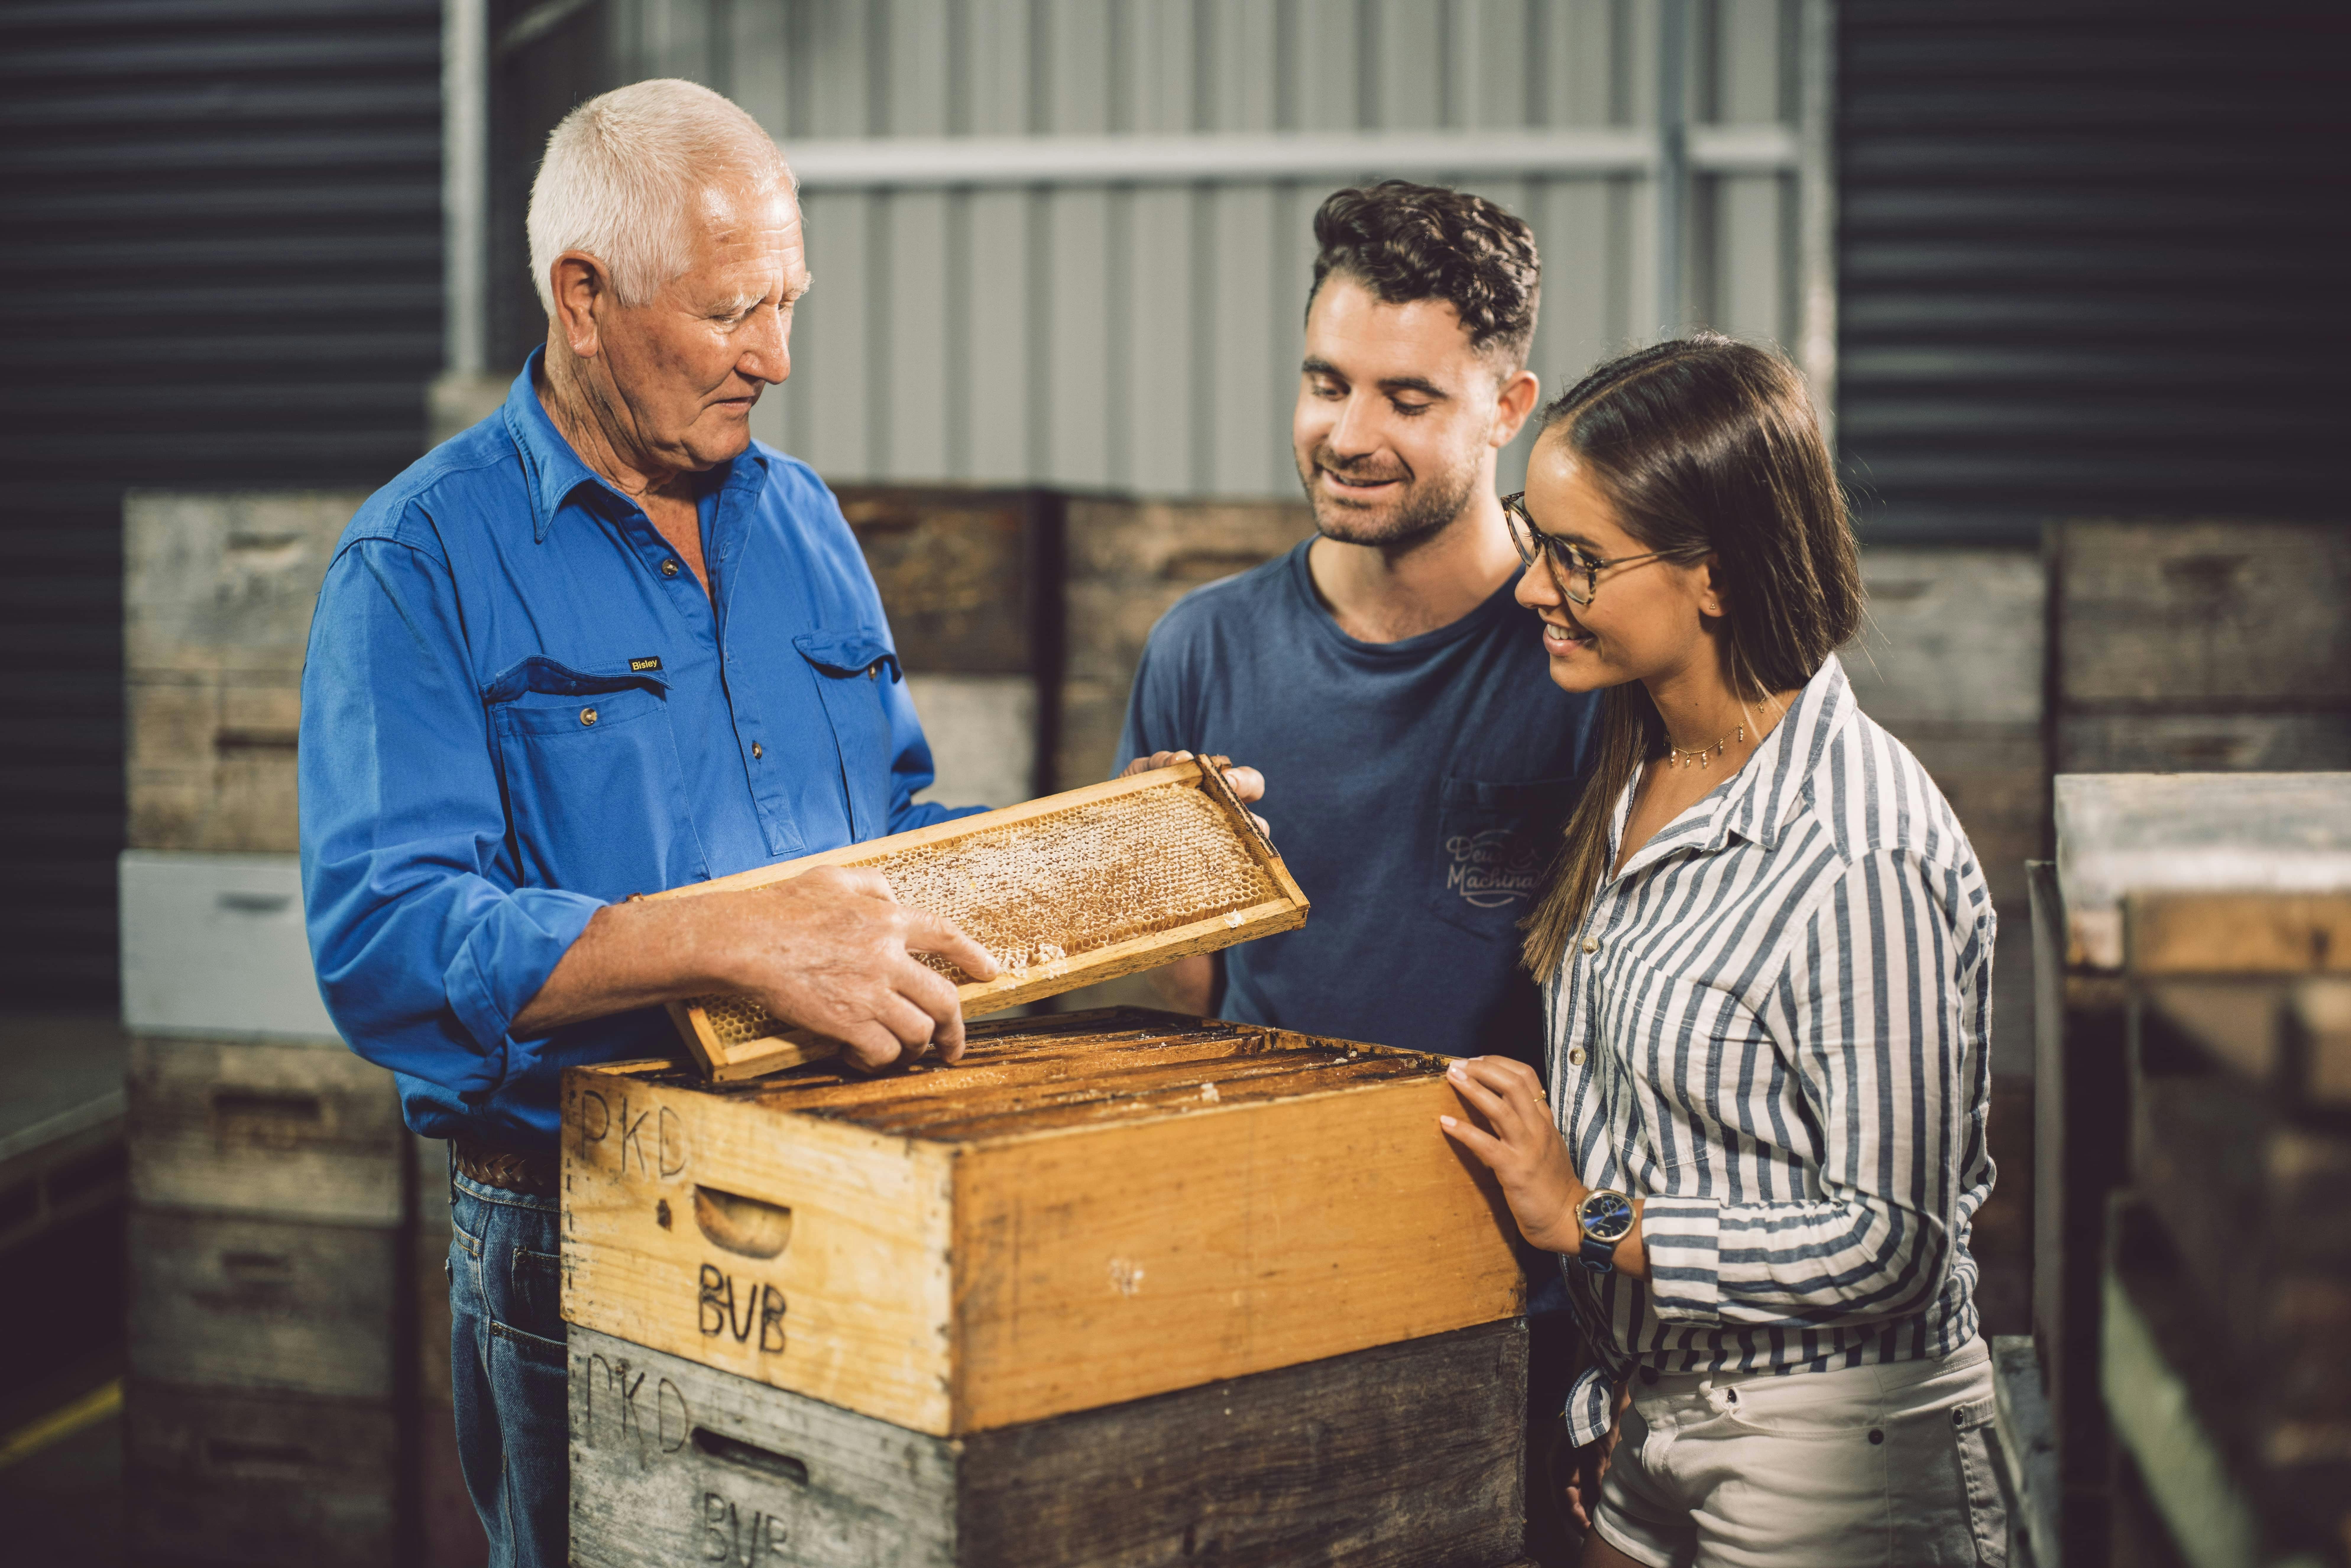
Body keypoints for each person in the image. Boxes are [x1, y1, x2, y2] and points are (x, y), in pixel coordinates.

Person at [297, 81, 1258, 1568]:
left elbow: (889, 831)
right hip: (578, 1226)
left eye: (791, 303)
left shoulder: (800, 519)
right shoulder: (418, 561)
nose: (779, 358)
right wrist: (728, 943)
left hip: (848, 1183)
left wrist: (1115, 851)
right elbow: (389, 939)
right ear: (585, 297)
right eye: (735, 310)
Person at [1438, 335, 2006, 1567]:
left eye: (1576, 560)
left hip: (1834, 1451)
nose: (1534, 587)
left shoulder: (1861, 853)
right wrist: (1612, 1396)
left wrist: (1584, 1220)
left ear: (1713, 578)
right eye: (1536, 537)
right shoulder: (1637, 758)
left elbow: (1890, 1243)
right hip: (1651, 1417)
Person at [1115, 179, 1605, 1562]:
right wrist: (1149, 880)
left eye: (1407, 399)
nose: (1346, 435)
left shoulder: (1579, 664)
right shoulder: (1198, 651)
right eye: (1325, 382)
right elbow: (1189, 992)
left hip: (1517, 1315)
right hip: (1263, 1288)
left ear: (1507, 409)